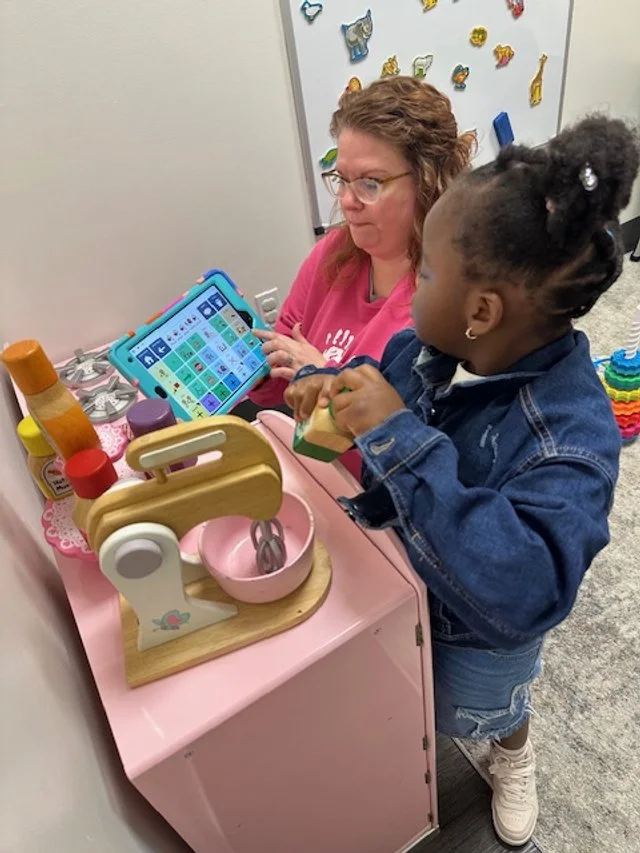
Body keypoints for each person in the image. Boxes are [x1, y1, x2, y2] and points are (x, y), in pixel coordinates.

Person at [284, 115, 639, 846]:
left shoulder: (572, 439)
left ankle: (514, 752)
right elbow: (373, 383)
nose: (412, 291)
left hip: (474, 636)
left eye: (429, 273)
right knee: (398, 695)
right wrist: (327, 385)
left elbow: (524, 592)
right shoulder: (426, 343)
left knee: (482, 709)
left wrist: (398, 437)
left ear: (482, 310)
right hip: (396, 581)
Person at [249, 75, 475, 412]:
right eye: (342, 179)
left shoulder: (446, 296)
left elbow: (417, 446)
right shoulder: (333, 252)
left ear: (428, 181)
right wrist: (243, 354)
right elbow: (279, 387)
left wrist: (322, 375)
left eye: (370, 183)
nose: (347, 201)